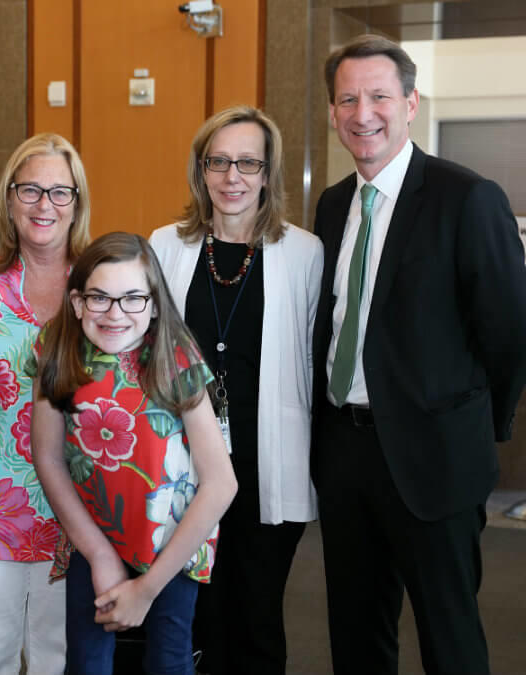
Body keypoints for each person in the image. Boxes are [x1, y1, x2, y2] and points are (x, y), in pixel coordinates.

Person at [312, 34, 526, 675]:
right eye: (348, 99)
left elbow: (513, 333)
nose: (364, 113)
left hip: (437, 457)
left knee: (450, 637)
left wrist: (476, 425)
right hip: (345, 453)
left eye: (380, 96)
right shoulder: (332, 206)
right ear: (332, 113)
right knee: (356, 634)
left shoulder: (467, 197)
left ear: (410, 104)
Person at [149, 105, 323, 675]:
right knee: (194, 618)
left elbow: (311, 359)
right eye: (218, 161)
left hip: (267, 462)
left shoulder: (304, 252)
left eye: (248, 162)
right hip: (187, 466)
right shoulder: (165, 246)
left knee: (257, 619)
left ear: (269, 173)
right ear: (200, 171)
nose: (232, 177)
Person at [29, 232, 238, 675]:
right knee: (87, 663)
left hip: (172, 545)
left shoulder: (175, 358)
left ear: (155, 304)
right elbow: (46, 458)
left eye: (132, 299)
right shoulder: (56, 350)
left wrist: (147, 588)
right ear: (76, 302)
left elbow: (221, 483)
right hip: (92, 538)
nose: (115, 313)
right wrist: (101, 556)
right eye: (99, 298)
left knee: (170, 661)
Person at [0, 132, 91, 675]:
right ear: (8, 199)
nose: (44, 205)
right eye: (29, 189)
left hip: (79, 508)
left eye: (60, 192)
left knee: (64, 658)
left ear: (77, 202)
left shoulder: (100, 286)